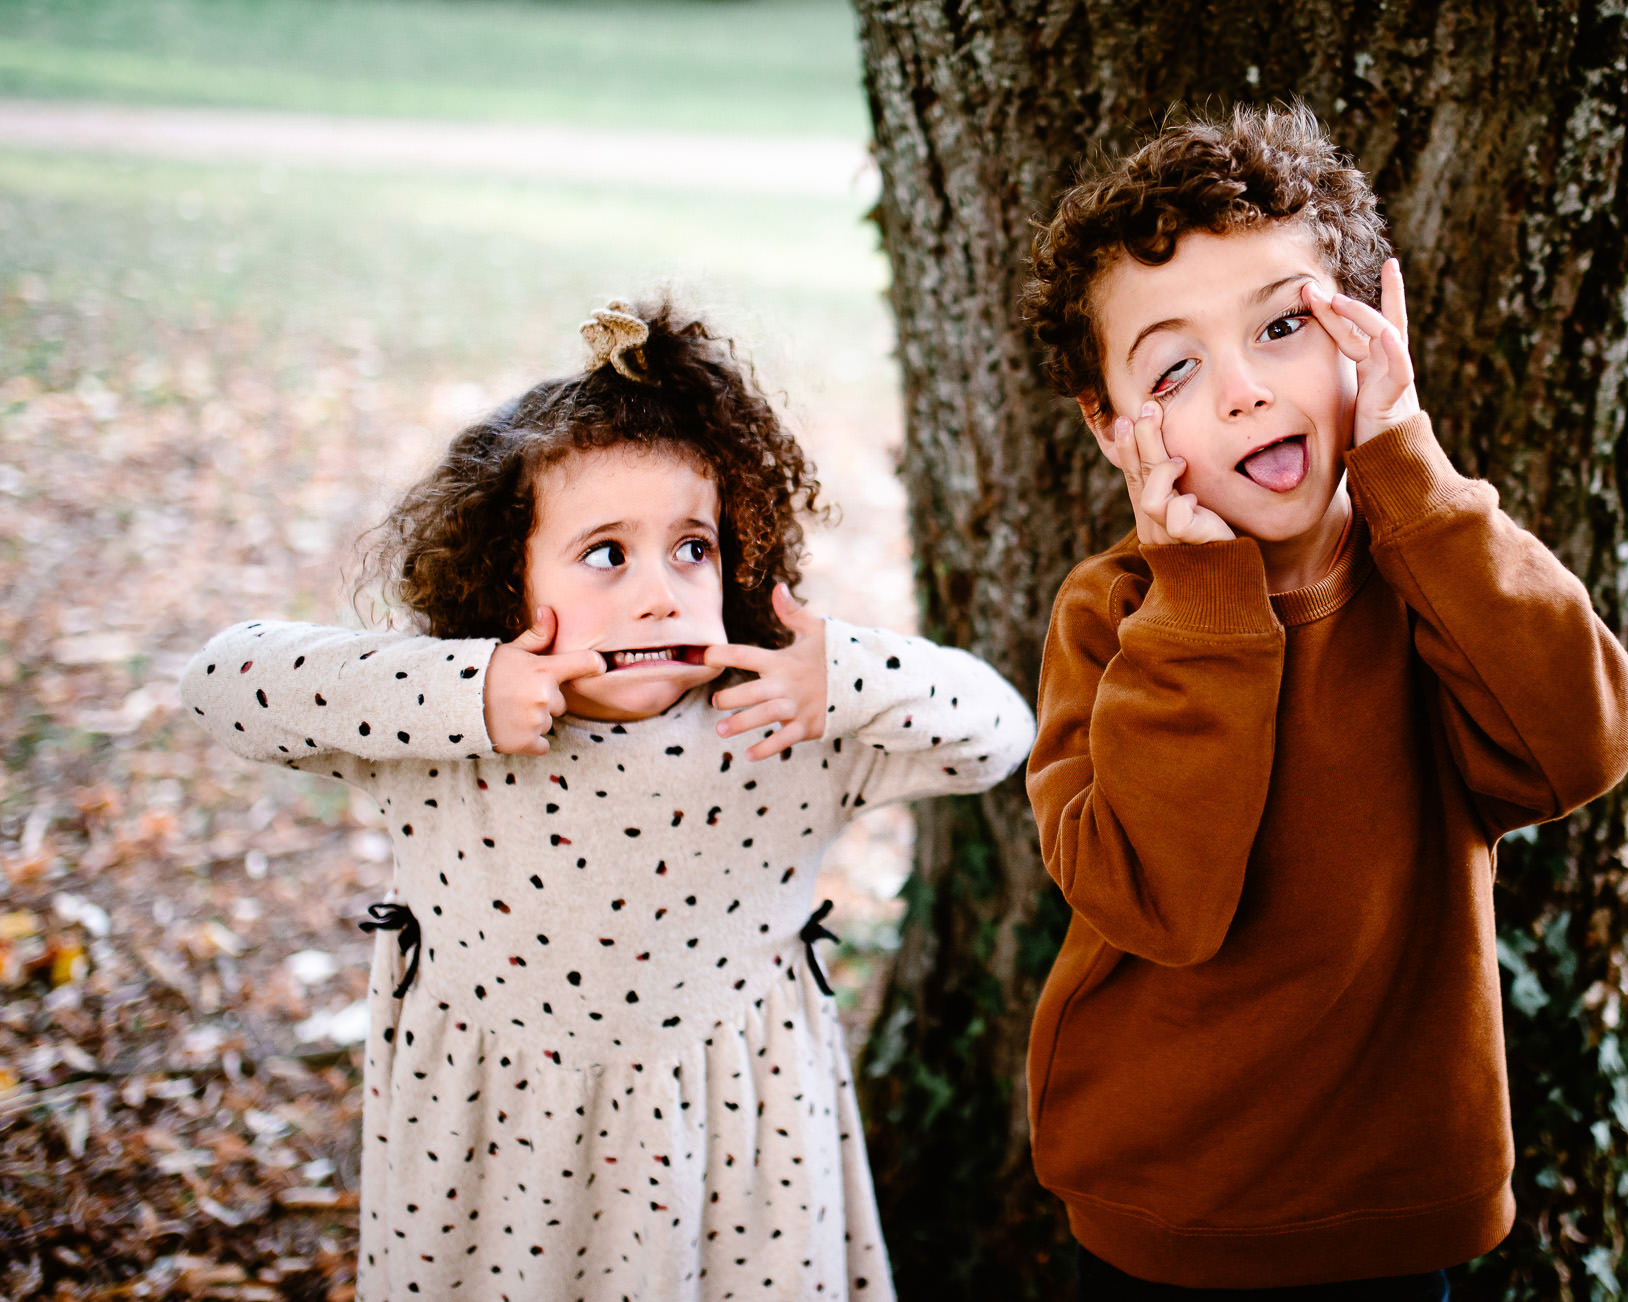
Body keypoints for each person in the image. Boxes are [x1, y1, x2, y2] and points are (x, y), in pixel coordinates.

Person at [180, 298, 1034, 1301]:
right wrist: (467, 691)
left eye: (692, 549)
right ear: (506, 579)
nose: (658, 593)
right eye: (604, 555)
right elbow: (220, 681)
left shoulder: (780, 724)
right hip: (496, 1163)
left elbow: (998, 733)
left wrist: (838, 675)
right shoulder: (447, 733)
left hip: (737, 1155)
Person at [1017, 106, 1628, 1298]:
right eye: (1176, 368)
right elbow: (1160, 904)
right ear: (1113, 426)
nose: (1246, 390)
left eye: (1284, 327)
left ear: (1366, 337)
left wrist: (1409, 463)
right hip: (1167, 1206)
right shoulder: (1109, 617)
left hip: (1397, 1204)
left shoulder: (1438, 571)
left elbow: (1584, 745)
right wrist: (1203, 603)